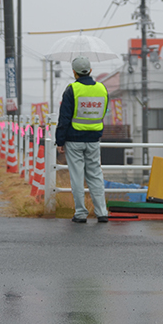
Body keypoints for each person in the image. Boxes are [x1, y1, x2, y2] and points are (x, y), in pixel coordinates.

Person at [55, 56, 110, 223]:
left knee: (77, 176)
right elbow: (104, 111)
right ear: (90, 70)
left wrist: (60, 141)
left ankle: (80, 213)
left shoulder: (72, 90)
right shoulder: (102, 89)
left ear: (74, 72)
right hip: (93, 138)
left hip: (74, 139)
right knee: (95, 175)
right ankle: (102, 212)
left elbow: (64, 118)